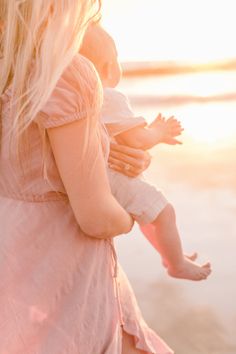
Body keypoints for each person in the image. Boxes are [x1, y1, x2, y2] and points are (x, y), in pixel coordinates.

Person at [0, 1, 174, 354]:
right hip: (65, 265)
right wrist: (130, 213)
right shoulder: (67, 74)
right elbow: (96, 216)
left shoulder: (9, 72)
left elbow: (33, 162)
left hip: (13, 254)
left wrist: (108, 152)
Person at [80, 23, 212, 281]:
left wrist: (151, 134)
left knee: (149, 214)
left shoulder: (83, 96)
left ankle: (171, 255)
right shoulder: (108, 96)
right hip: (112, 177)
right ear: (109, 67)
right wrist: (158, 133)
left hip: (97, 175)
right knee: (164, 211)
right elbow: (137, 139)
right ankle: (175, 264)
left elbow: (123, 136)